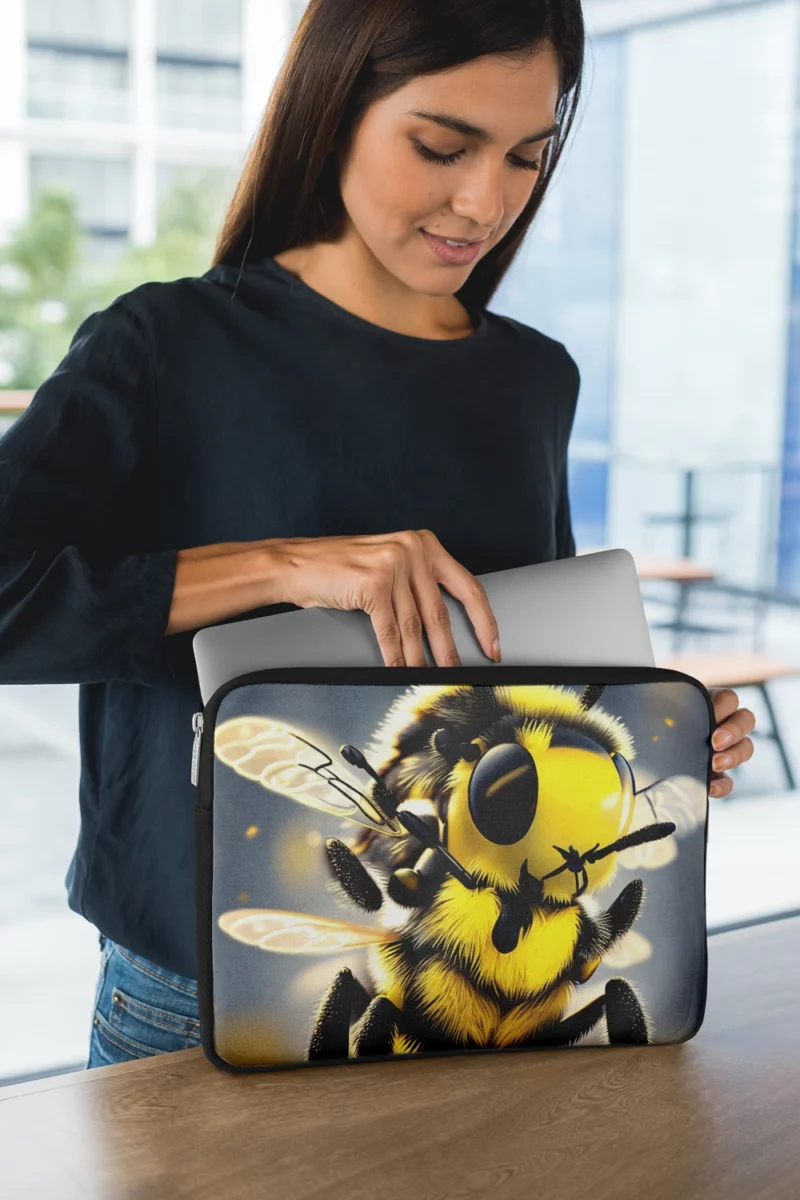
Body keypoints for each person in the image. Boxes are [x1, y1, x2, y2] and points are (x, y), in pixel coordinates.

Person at [0, 0, 755, 1070]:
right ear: (333, 108)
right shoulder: (164, 344)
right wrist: (288, 567)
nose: (482, 201)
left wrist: (656, 729)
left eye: (524, 158)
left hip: (482, 988)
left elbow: (520, 675)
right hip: (199, 994)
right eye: (440, 147)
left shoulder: (535, 378)